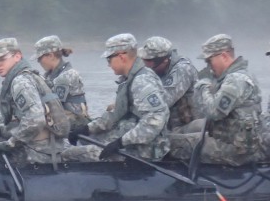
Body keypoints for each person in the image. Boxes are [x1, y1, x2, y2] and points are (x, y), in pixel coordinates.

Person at [0, 38, 69, 164]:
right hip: (52, 147)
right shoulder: (33, 76)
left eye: (2, 59)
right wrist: (1, 129)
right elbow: (24, 120)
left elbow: (36, 120)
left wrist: (11, 144)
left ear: (17, 56)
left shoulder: (20, 81)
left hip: (37, 152)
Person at [63, 33, 170, 161]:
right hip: (129, 141)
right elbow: (115, 114)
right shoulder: (129, 79)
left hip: (143, 150)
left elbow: (154, 121)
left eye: (109, 59)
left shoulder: (142, 81)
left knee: (68, 154)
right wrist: (87, 128)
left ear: (121, 56)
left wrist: (121, 143)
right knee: (83, 141)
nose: (108, 64)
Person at [170, 34, 266, 166]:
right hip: (233, 140)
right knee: (190, 128)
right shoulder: (237, 76)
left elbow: (213, 112)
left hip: (235, 152)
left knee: (171, 142)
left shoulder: (236, 80)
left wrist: (203, 85)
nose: (209, 66)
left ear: (224, 56)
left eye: (210, 61)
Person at [137, 36, 200, 131]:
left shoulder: (182, 70)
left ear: (164, 60)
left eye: (149, 61)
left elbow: (163, 102)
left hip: (186, 129)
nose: (145, 64)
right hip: (169, 126)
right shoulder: (159, 70)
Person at [32, 35, 90, 130]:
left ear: (50, 56)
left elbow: (53, 104)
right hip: (63, 121)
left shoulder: (67, 75)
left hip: (74, 123)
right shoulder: (49, 75)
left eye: (39, 58)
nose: (39, 62)